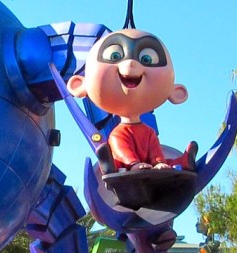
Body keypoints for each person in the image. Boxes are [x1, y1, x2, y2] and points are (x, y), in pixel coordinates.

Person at [67, 28, 196, 172]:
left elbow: (154, 149)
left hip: (148, 164)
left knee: (164, 158)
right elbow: (122, 150)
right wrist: (133, 163)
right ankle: (110, 164)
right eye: (115, 56)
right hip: (125, 165)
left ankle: (185, 161)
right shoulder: (118, 133)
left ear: (177, 92)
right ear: (78, 85)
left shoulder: (149, 132)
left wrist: (159, 162)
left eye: (147, 59)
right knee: (119, 148)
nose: (131, 63)